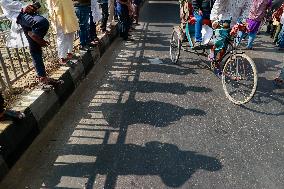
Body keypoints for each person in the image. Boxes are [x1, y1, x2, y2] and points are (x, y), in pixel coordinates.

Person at [0, 0, 62, 90]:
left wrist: (31, 6)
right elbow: (7, 4)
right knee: (42, 22)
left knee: (35, 49)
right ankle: (35, 36)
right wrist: (24, 8)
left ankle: (43, 78)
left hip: (26, 15)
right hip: (21, 16)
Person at [46, 0, 79, 65]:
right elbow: (49, 4)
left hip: (69, 12)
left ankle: (69, 53)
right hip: (59, 14)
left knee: (71, 33)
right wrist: (53, 15)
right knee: (62, 36)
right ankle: (62, 57)